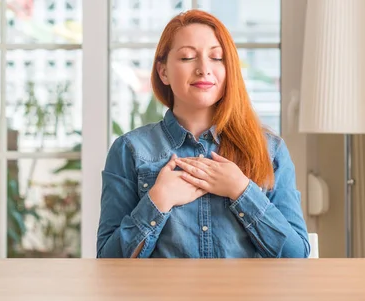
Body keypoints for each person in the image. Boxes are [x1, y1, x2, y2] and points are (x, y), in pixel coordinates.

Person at [96, 10, 310, 258]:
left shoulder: (270, 149)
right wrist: (157, 201)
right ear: (163, 71)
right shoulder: (130, 149)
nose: (203, 69)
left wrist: (242, 191)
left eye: (217, 58)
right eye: (187, 57)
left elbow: (296, 255)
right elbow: (107, 260)